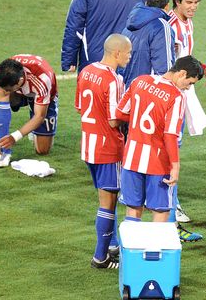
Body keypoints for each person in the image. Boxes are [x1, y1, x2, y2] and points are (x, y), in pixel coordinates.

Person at [116, 56, 204, 223]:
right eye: (190, 83)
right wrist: (175, 166)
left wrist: (137, 120)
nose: (188, 88)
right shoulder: (176, 96)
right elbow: (170, 135)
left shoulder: (139, 81)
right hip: (157, 162)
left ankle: (129, 242)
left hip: (131, 158)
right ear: (181, 73)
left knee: (132, 209)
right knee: (160, 211)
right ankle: (154, 243)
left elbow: (120, 112)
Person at [75, 34, 131, 269]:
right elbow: (114, 120)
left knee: (106, 199)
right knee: (108, 203)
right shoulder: (113, 79)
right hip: (108, 148)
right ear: (117, 53)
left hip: (88, 145)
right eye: (128, 52)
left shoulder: (86, 71)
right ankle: (101, 258)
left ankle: (112, 244)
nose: (130, 56)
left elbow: (80, 107)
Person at [167, 0, 206, 241]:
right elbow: (170, 64)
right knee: (172, 144)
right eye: (189, 2)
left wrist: (202, 67)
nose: (193, 7)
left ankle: (171, 202)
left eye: (196, 2)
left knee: (176, 143)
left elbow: (185, 57)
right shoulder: (170, 25)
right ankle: (171, 205)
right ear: (177, 1)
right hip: (174, 92)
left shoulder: (188, 22)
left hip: (183, 90)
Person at [0, 55, 59, 167]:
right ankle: (4, 151)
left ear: (20, 81)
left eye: (8, 89)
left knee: (42, 150)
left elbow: (40, 116)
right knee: (1, 91)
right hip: (18, 92)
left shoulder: (42, 79)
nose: (5, 91)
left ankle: (32, 127)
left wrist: (15, 137)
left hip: (42, 94)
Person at [121, 0, 176, 88]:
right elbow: (165, 69)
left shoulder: (129, 24)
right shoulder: (161, 26)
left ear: (146, 3)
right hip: (147, 90)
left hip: (127, 89)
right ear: (167, 6)